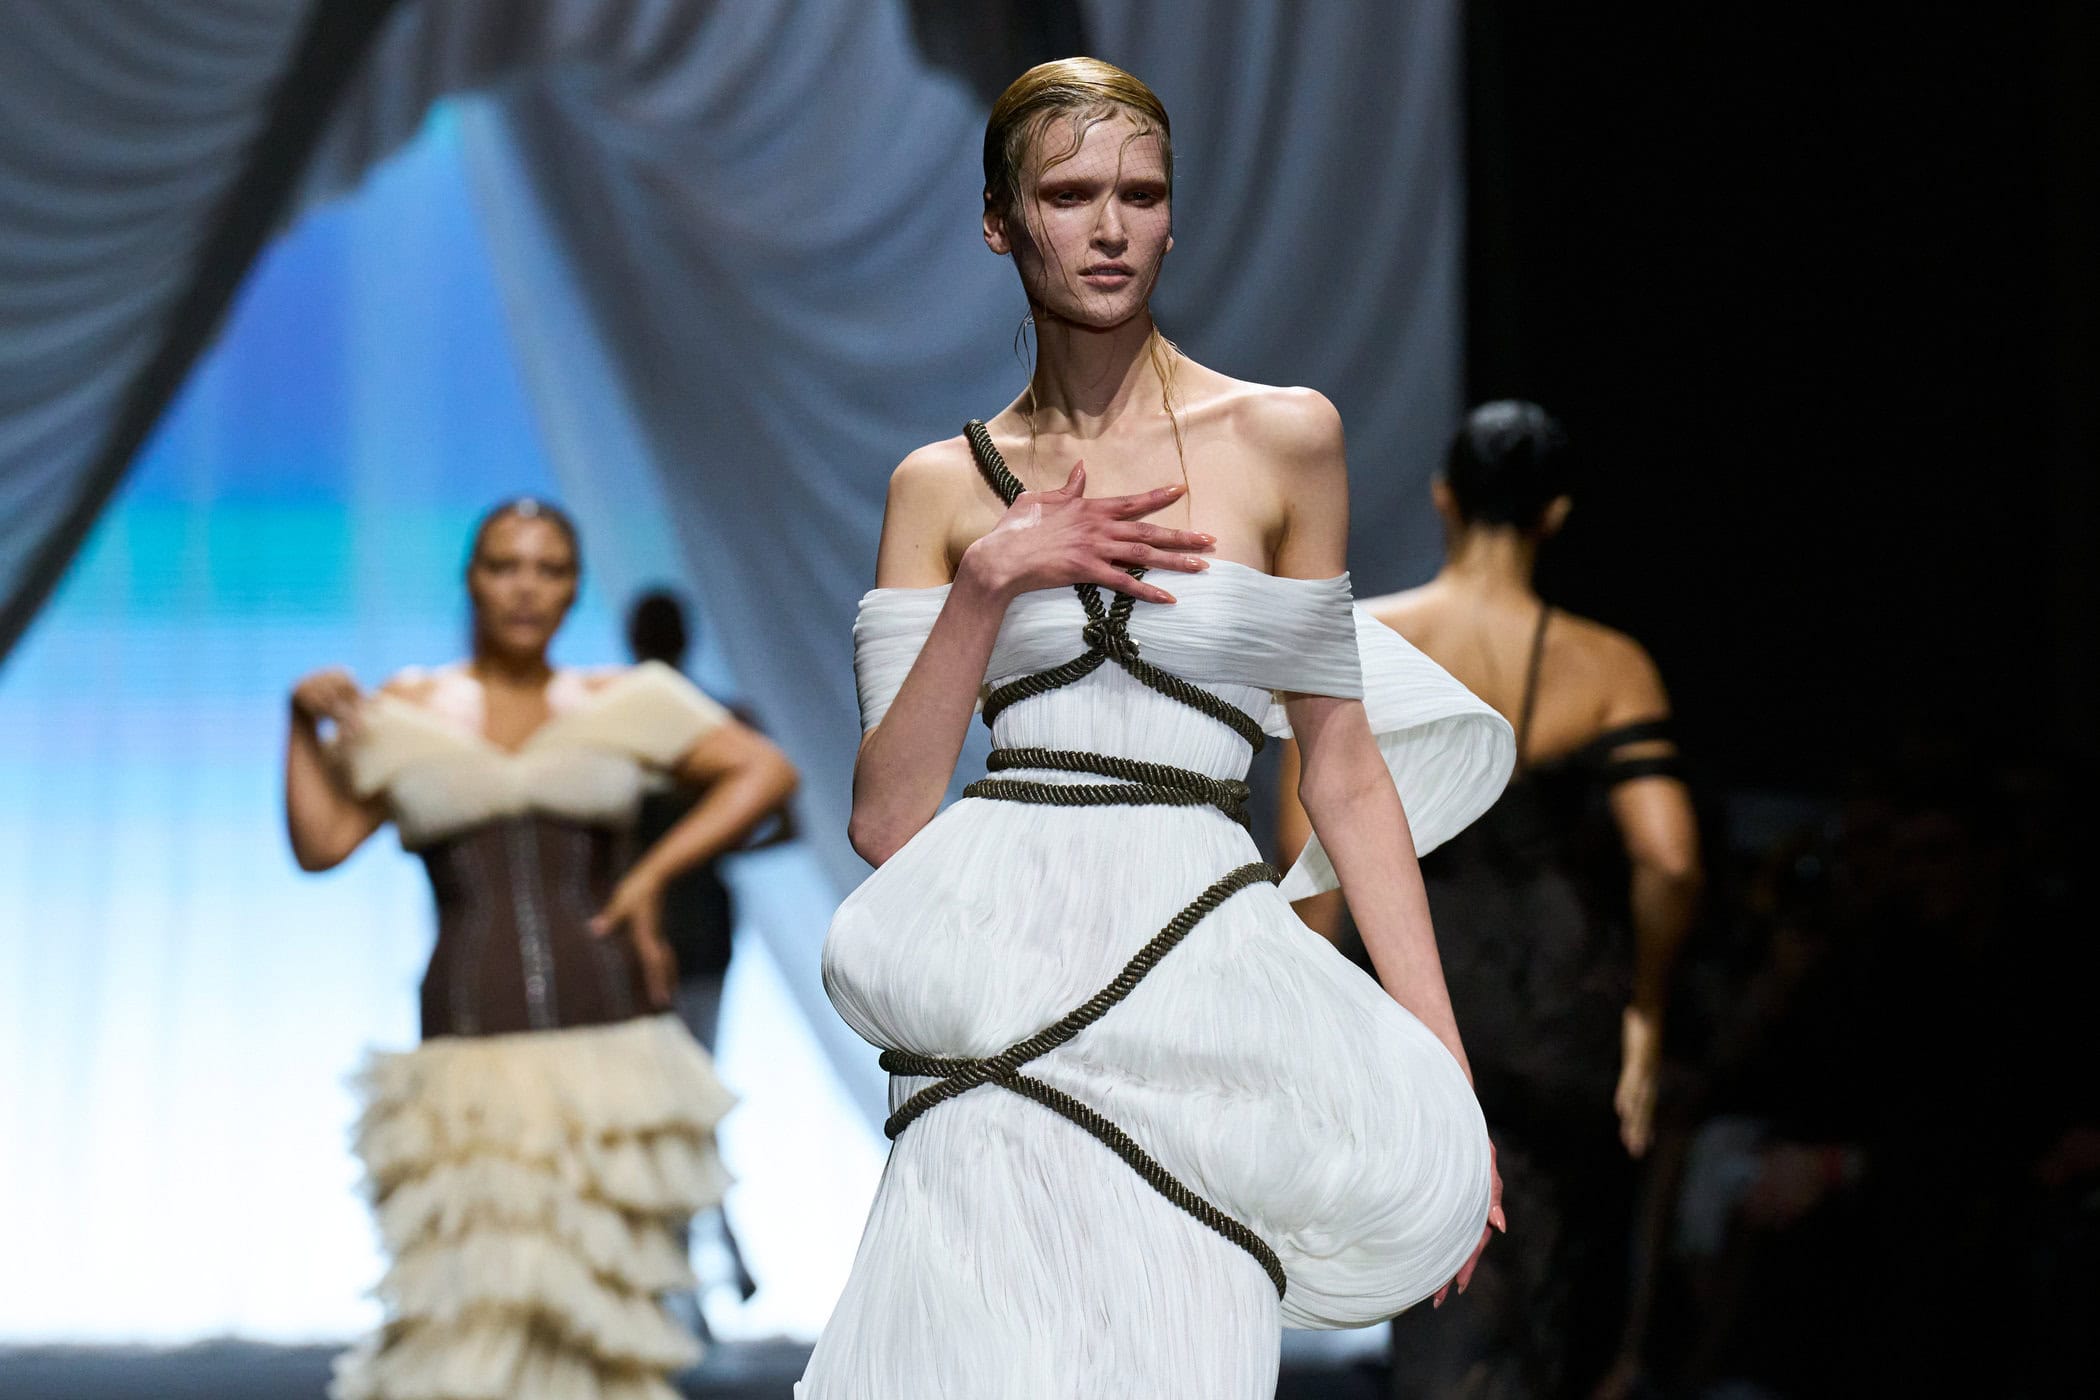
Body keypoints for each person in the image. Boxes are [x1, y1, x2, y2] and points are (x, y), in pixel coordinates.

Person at [798, 59, 1513, 1400]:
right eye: (1070, 194)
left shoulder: (1286, 441)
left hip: (1202, 993)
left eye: (1142, 193)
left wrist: (1444, 1086)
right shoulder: (939, 489)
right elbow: (890, 820)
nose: (1111, 226)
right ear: (1001, 222)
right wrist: (988, 579)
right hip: (995, 991)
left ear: (1176, 218)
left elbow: (1346, 776)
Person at [285, 499, 799, 1400]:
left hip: (611, 1046)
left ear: (574, 589)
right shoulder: (408, 709)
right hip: (468, 1051)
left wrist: (646, 877)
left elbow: (765, 772)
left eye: (551, 568)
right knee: (468, 1323)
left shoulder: (619, 701)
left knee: (604, 1328)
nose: (527, 588)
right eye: (504, 565)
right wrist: (299, 726)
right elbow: (322, 843)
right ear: (471, 580)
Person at [1278, 402, 1703, 1398]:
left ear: (1442, 498)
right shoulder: (1610, 665)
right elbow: (1672, 859)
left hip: (1423, 1001)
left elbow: (1311, 867)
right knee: (1555, 1300)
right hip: (1567, 1012)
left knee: (1450, 1300)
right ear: (1554, 514)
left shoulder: (1361, 642)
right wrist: (1643, 1007)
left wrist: (1303, 1033)